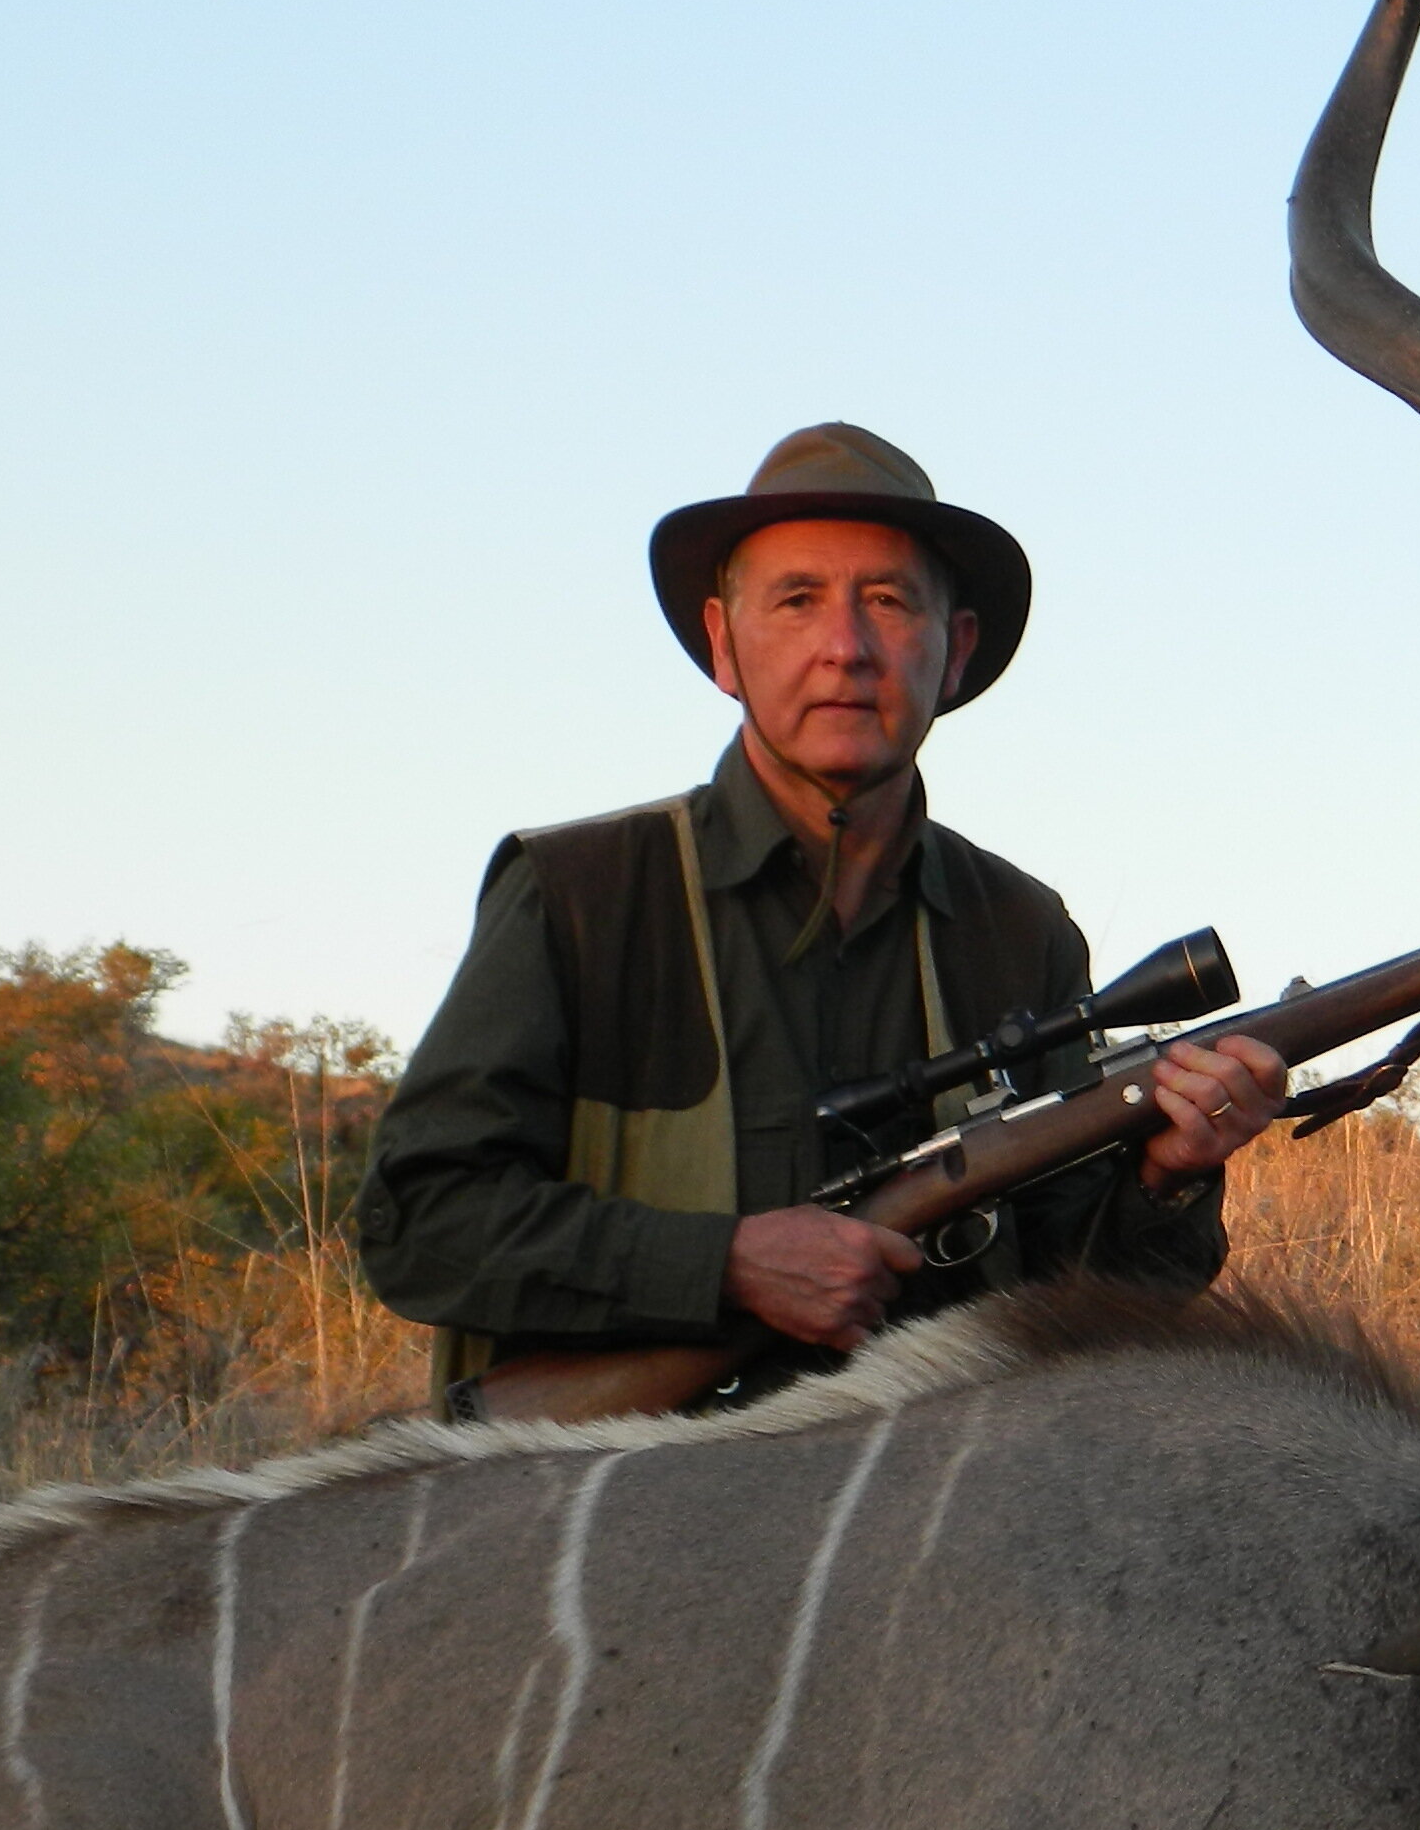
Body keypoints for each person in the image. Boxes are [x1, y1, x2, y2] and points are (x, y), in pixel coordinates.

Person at [358, 424, 1288, 1408]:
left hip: (930, 1518)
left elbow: (1087, 1300)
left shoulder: (1022, 931)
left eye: (888, 601)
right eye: (797, 600)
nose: (845, 648)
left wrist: (1166, 1179)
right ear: (725, 644)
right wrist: (723, 1265)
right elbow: (420, 1223)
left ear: (955, 650)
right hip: (618, 1515)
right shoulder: (578, 893)